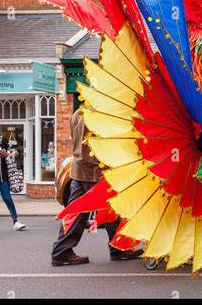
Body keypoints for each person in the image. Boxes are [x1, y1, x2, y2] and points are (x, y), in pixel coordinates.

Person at [51, 109, 143, 266]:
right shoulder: (93, 114)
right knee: (110, 211)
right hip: (94, 172)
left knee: (79, 212)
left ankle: (62, 251)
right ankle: (117, 248)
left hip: (80, 171)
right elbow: (90, 149)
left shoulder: (78, 114)